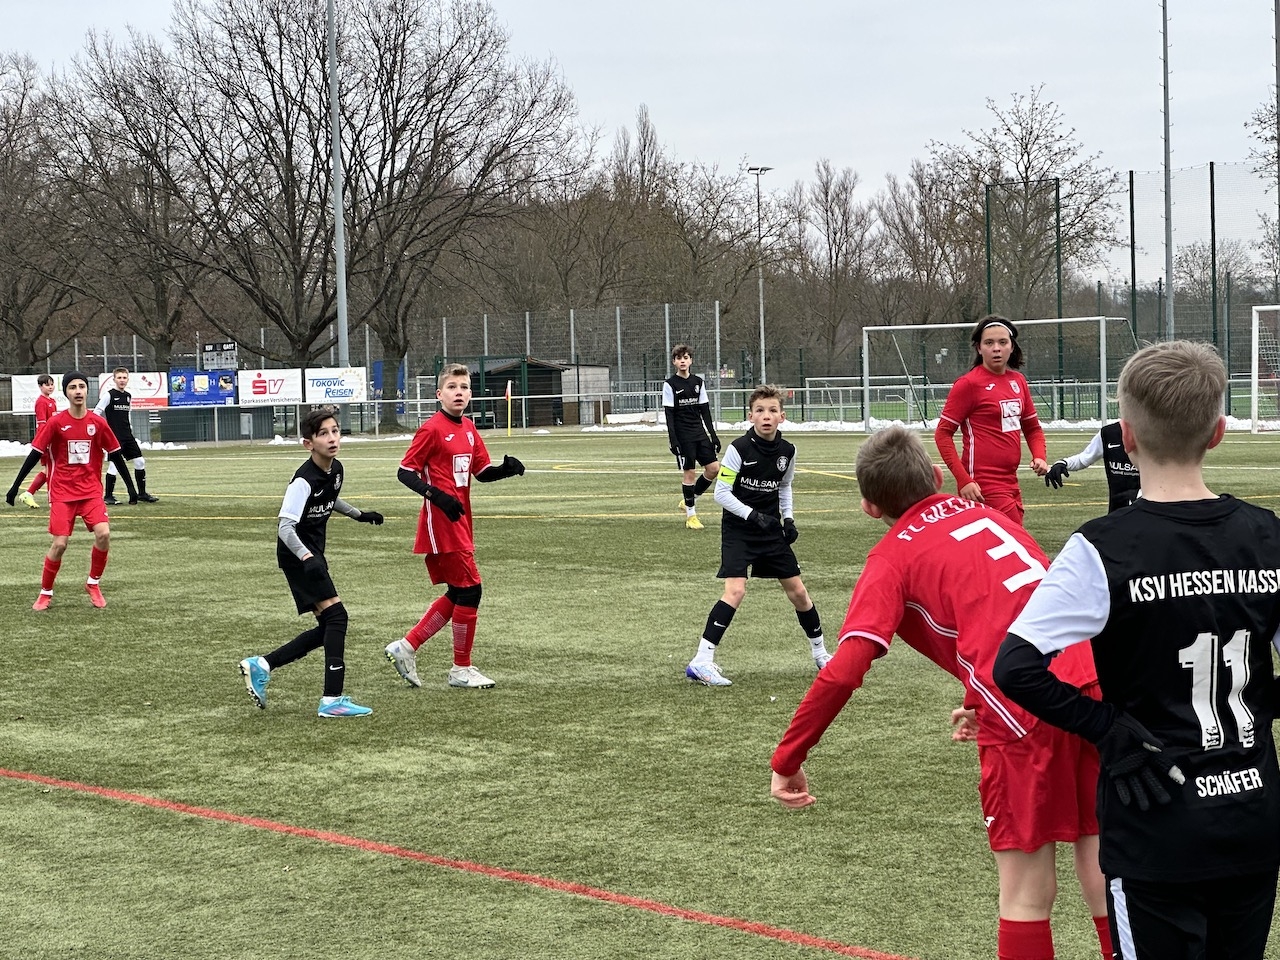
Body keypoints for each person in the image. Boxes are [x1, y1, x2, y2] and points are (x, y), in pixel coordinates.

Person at [769, 426, 1113, 960]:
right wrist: (978, 700)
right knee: (1103, 857)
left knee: (1025, 890)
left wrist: (788, 758)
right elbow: (1012, 608)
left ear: (868, 507)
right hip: (1091, 681)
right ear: (935, 476)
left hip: (1019, 707)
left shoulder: (891, 559)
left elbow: (844, 671)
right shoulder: (989, 516)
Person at [994, 341, 1280, 960]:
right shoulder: (1267, 534)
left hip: (1155, 818)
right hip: (1253, 815)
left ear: (1124, 437)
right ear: (1218, 433)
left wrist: (1107, 730)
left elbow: (1014, 666)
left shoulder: (1101, 547)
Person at [383, 363, 525, 690]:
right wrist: (436, 496)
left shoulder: (470, 429)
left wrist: (505, 469)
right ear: (439, 394)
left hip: (460, 520)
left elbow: (481, 472)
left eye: (463, 387)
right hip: (441, 521)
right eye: (451, 387)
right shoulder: (431, 429)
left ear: (471, 394)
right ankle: (461, 668)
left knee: (459, 591)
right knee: (471, 590)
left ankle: (406, 646)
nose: (458, 392)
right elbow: (405, 472)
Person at [238, 408, 384, 719]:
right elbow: (285, 528)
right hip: (298, 557)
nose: (332, 438)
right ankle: (332, 700)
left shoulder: (336, 469)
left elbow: (330, 498)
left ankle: (262, 664)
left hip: (311, 555)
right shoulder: (303, 480)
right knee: (338, 617)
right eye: (323, 434)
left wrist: (359, 515)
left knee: (329, 626)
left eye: (335, 431)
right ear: (308, 443)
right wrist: (307, 558)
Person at [684, 385, 830, 686]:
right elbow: (721, 494)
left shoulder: (788, 451)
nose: (766, 416)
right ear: (750, 416)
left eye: (772, 410)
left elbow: (784, 486)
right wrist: (752, 516)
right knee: (735, 591)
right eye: (760, 411)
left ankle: (821, 655)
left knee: (798, 592)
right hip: (739, 529)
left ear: (782, 417)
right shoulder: (739, 449)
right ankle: (701, 661)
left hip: (770, 529)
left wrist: (788, 519)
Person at [5, 370, 138, 610]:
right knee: (60, 544)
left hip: (90, 492)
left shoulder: (98, 423)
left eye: (81, 386)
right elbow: (35, 454)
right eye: (72, 387)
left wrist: (131, 488)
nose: (78, 391)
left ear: (87, 390)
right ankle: (45, 592)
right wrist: (16, 486)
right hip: (62, 493)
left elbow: (116, 455)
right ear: (66, 393)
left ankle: (93, 583)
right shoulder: (56, 423)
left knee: (104, 534)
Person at [934, 315, 1049, 525]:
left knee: (1002, 542)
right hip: (982, 484)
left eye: (1002, 342)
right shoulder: (968, 384)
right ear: (979, 348)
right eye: (989, 343)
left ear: (1012, 346)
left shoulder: (1018, 381)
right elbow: (943, 434)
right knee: (1015, 538)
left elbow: (1032, 427)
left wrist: (1039, 456)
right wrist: (964, 480)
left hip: (1011, 482)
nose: (996, 348)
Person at [663, 343, 720, 530]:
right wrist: (673, 440)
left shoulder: (698, 382)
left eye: (686, 358)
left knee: (714, 468)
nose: (683, 361)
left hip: (699, 432)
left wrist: (713, 435)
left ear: (691, 361)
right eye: (679, 358)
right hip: (683, 435)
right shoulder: (670, 385)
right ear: (674, 362)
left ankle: (689, 499)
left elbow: (705, 411)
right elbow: (669, 415)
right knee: (690, 473)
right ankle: (691, 516)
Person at [1044, 422, 1141, 513]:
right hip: (1116, 514)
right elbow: (1084, 458)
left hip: (1146, 513)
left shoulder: (1149, 432)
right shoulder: (1108, 433)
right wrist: (1063, 463)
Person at [94, 367, 159, 504]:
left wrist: (130, 428)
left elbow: (127, 415)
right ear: (114, 379)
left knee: (140, 461)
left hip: (128, 436)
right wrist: (103, 430)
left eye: (124, 378)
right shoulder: (109, 395)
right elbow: (96, 413)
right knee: (114, 466)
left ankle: (142, 493)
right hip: (114, 437)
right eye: (119, 378)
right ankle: (108, 496)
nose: (122, 380)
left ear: (128, 379)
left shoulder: (128, 396)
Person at [17, 374, 58, 509]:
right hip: (46, 441)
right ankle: (52, 499)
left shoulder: (52, 401)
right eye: (47, 384)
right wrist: (44, 441)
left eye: (52, 384)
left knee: (50, 469)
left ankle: (29, 494)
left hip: (52, 440)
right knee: (50, 470)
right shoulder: (41, 402)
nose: (50, 387)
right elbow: (42, 424)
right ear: (40, 387)